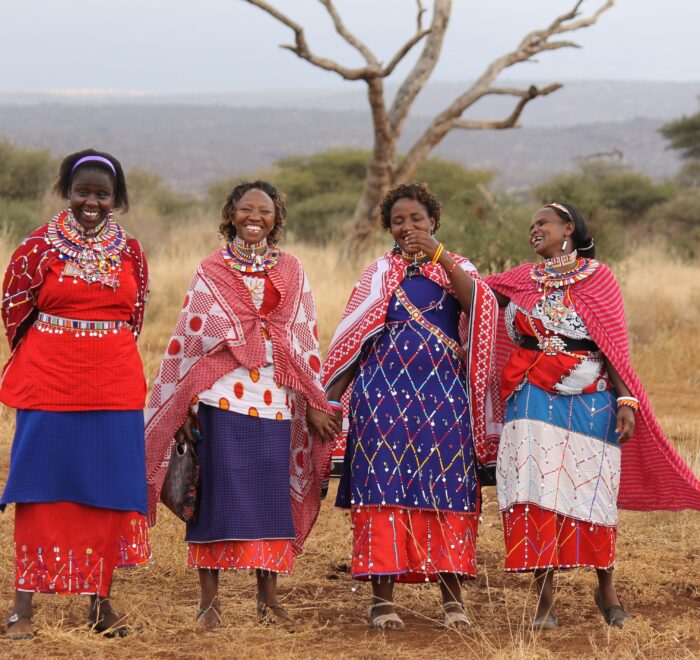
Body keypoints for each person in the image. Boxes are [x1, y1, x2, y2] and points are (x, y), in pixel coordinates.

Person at [486, 202, 700, 630]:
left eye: (542, 222)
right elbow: (473, 296)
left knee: (593, 489)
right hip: (529, 395)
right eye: (530, 225)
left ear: (568, 228)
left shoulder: (598, 278)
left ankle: (607, 592)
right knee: (535, 488)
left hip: (591, 395)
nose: (534, 229)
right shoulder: (519, 279)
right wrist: (435, 257)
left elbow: (612, 346)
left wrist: (626, 401)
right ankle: (544, 601)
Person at [145, 180, 339, 630]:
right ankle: (209, 603)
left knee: (271, 500)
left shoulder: (291, 270)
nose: (255, 218)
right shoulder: (211, 269)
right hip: (218, 398)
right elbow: (191, 338)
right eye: (246, 210)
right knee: (214, 497)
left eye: (265, 211)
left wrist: (312, 401)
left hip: (275, 401)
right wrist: (183, 408)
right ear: (231, 214)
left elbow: (302, 338)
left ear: (276, 218)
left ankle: (267, 602)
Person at [323, 183, 497, 630]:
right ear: (388, 228)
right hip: (381, 396)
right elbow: (353, 342)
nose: (408, 227)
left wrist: (440, 256)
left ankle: (453, 600)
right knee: (382, 489)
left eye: (417, 219)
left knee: (449, 489)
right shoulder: (377, 273)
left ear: (433, 222)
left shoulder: (459, 267)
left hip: (444, 397)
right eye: (398, 221)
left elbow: (479, 307)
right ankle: (382, 601)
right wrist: (328, 399)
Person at [0, 149, 151, 640]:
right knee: (40, 485)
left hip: (115, 382)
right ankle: (23, 606)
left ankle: (100, 603)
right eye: (82, 192)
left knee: (107, 489)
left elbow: (136, 314)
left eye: (102, 194)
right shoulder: (37, 247)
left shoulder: (131, 253)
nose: (92, 202)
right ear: (68, 192)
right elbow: (14, 309)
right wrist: (54, 348)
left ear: (116, 199)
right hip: (50, 381)